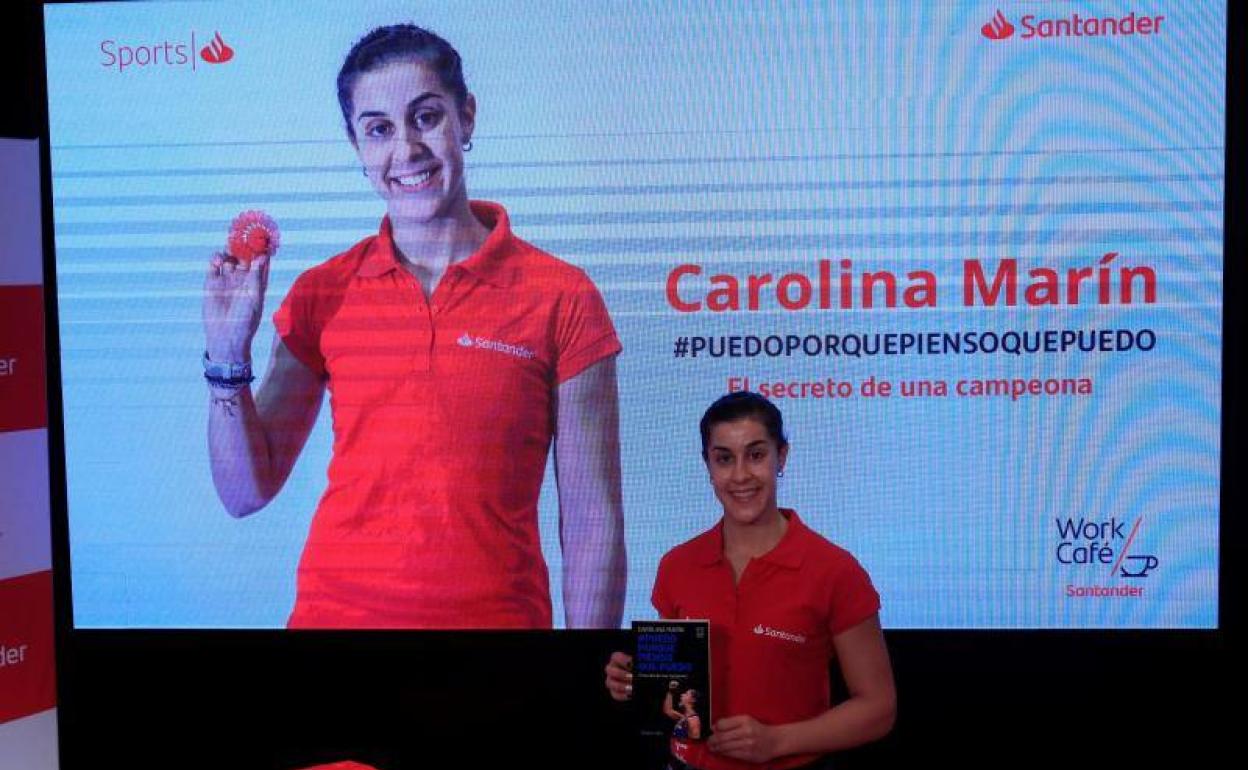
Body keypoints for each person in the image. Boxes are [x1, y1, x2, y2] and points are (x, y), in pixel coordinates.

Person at [202, 24, 625, 629]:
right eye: (378, 129)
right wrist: (225, 353)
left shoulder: (563, 297)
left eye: (425, 117)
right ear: (357, 145)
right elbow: (244, 493)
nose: (406, 150)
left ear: (467, 118)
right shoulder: (323, 292)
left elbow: (592, 525)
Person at [605, 392, 895, 769]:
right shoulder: (677, 565)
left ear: (782, 457)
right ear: (708, 465)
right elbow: (675, 684)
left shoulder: (834, 570)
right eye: (724, 458)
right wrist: (635, 679)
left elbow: (878, 708)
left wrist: (778, 740)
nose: (740, 475)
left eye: (756, 455)